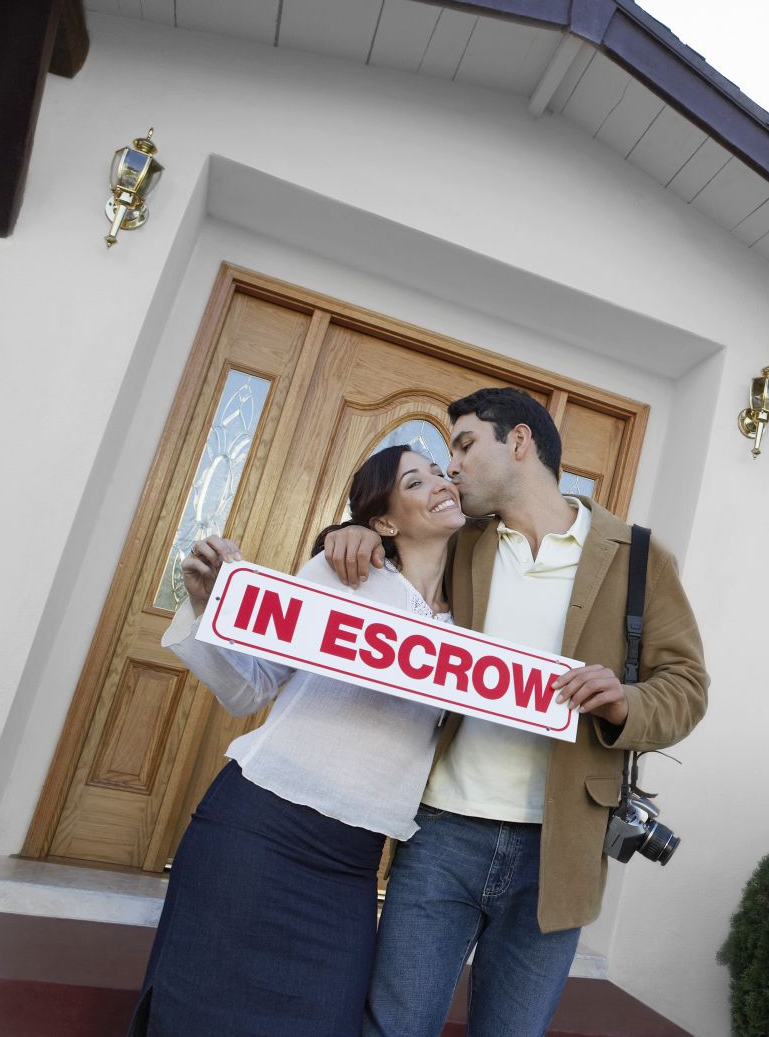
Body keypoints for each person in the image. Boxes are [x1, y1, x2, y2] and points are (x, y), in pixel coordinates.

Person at [322, 388, 709, 1037]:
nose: (451, 467)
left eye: (465, 444)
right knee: (391, 1027)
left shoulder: (639, 556)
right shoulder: (458, 543)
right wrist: (354, 530)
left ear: (521, 441)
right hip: (440, 834)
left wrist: (626, 701)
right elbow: (389, 569)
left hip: (559, 850)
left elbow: (687, 685)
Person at [128, 445, 468, 1037]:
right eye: (417, 480)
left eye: (441, 471)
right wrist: (212, 604)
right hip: (257, 829)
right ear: (384, 521)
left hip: (351, 865)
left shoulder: (471, 625)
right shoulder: (346, 575)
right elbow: (250, 689)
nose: (441, 482)